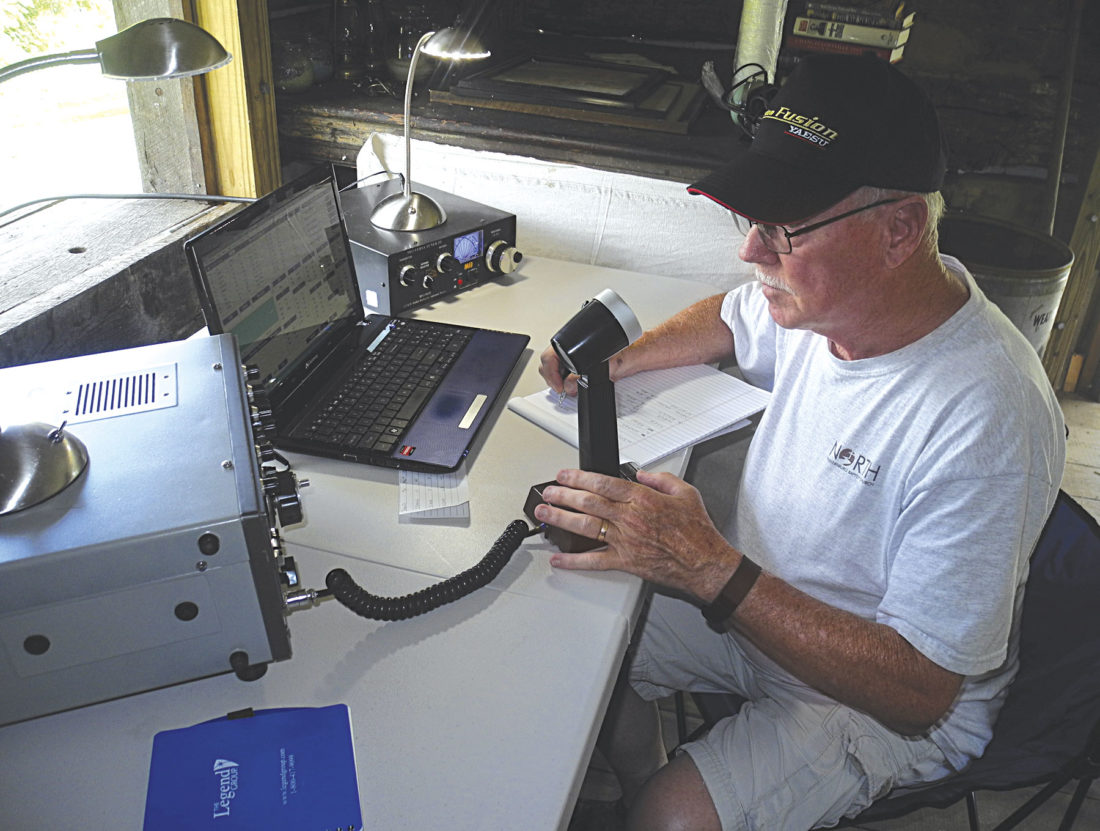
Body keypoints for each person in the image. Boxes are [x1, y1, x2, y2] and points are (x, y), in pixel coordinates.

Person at [532, 53, 1066, 831]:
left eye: (783, 229)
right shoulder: (831, 300)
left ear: (900, 230)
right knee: (569, 636)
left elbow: (921, 688)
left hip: (881, 696)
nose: (753, 251)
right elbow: (732, 313)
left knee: (669, 821)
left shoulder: (985, 417)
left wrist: (710, 566)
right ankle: (646, 768)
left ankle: (660, 790)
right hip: (756, 600)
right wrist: (618, 360)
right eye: (750, 221)